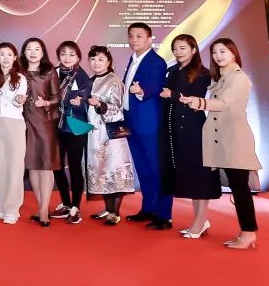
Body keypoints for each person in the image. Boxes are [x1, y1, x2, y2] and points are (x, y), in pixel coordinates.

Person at [180, 38, 262, 250]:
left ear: (233, 53)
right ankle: (247, 233)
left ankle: (248, 233)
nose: (218, 56)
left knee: (240, 189)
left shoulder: (238, 77)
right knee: (237, 187)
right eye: (215, 52)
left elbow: (224, 104)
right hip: (224, 140)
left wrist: (198, 102)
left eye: (223, 51)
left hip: (234, 140)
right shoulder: (223, 77)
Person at [159, 34, 219, 237]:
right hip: (176, 130)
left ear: (194, 50)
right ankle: (200, 220)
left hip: (194, 129)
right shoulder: (173, 70)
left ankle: (200, 222)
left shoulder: (202, 73)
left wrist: (173, 95)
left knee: (200, 175)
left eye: (183, 48)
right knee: (191, 177)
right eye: (175, 48)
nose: (178, 52)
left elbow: (196, 99)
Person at [123, 22, 173, 229]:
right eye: (131, 36)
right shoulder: (133, 58)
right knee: (143, 169)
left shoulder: (156, 61)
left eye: (139, 36)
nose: (134, 39)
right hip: (132, 122)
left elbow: (154, 86)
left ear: (150, 39)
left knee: (157, 168)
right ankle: (148, 208)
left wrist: (141, 91)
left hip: (149, 124)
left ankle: (164, 214)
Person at [84, 45, 134, 226]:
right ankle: (107, 208)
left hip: (109, 135)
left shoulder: (114, 80)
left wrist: (100, 105)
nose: (96, 63)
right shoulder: (89, 80)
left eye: (100, 59)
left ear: (109, 62)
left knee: (113, 169)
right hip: (93, 135)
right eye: (93, 59)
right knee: (101, 171)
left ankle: (115, 212)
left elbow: (117, 108)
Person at [20, 38, 60, 227]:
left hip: (45, 122)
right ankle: (40, 206)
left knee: (45, 166)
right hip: (24, 122)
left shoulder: (49, 70)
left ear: (43, 52)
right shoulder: (19, 71)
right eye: (29, 49)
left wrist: (46, 103)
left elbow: (57, 97)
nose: (33, 52)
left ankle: (44, 209)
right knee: (32, 166)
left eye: (37, 49)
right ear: (24, 52)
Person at [51, 41, 92, 225]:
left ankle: (76, 207)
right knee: (57, 166)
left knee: (75, 167)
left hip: (76, 127)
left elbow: (86, 102)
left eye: (71, 54)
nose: (67, 58)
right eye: (63, 54)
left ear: (78, 57)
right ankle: (66, 204)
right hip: (56, 127)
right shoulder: (53, 73)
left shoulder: (82, 77)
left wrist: (79, 103)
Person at [0, 42, 27, 225]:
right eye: (2, 54)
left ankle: (13, 209)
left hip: (14, 124)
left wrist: (20, 99)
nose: (5, 58)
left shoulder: (20, 78)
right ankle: (3, 207)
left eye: (9, 54)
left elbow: (18, 99)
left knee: (15, 167)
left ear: (15, 57)